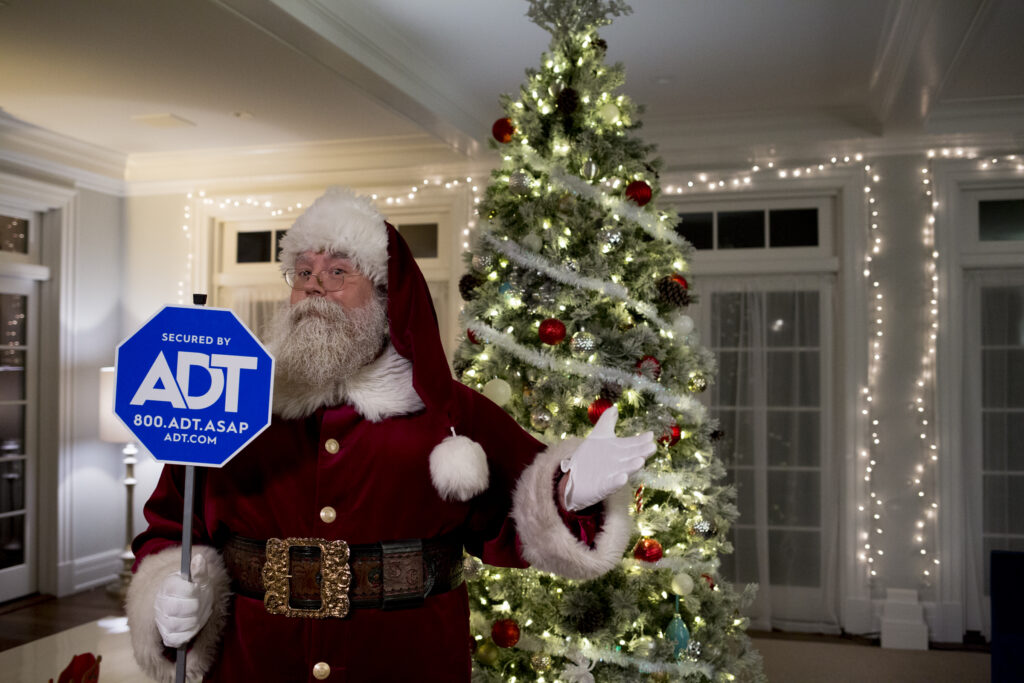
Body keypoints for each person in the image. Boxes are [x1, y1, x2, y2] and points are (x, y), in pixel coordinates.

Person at [125, 187, 655, 682]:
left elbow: (517, 520)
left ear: (384, 298)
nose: (313, 286)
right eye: (303, 271)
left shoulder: (450, 413)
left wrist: (569, 491)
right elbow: (172, 521)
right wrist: (166, 594)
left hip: (406, 661)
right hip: (256, 662)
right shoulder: (231, 397)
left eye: (337, 272)